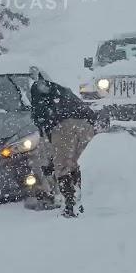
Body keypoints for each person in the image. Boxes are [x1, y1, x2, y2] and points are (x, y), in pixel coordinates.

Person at [28, 67, 98, 217]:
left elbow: (42, 121)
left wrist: (49, 163)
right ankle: (80, 201)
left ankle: (69, 206)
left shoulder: (36, 89)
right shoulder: (57, 89)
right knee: (75, 163)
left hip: (64, 124)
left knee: (62, 166)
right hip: (87, 123)